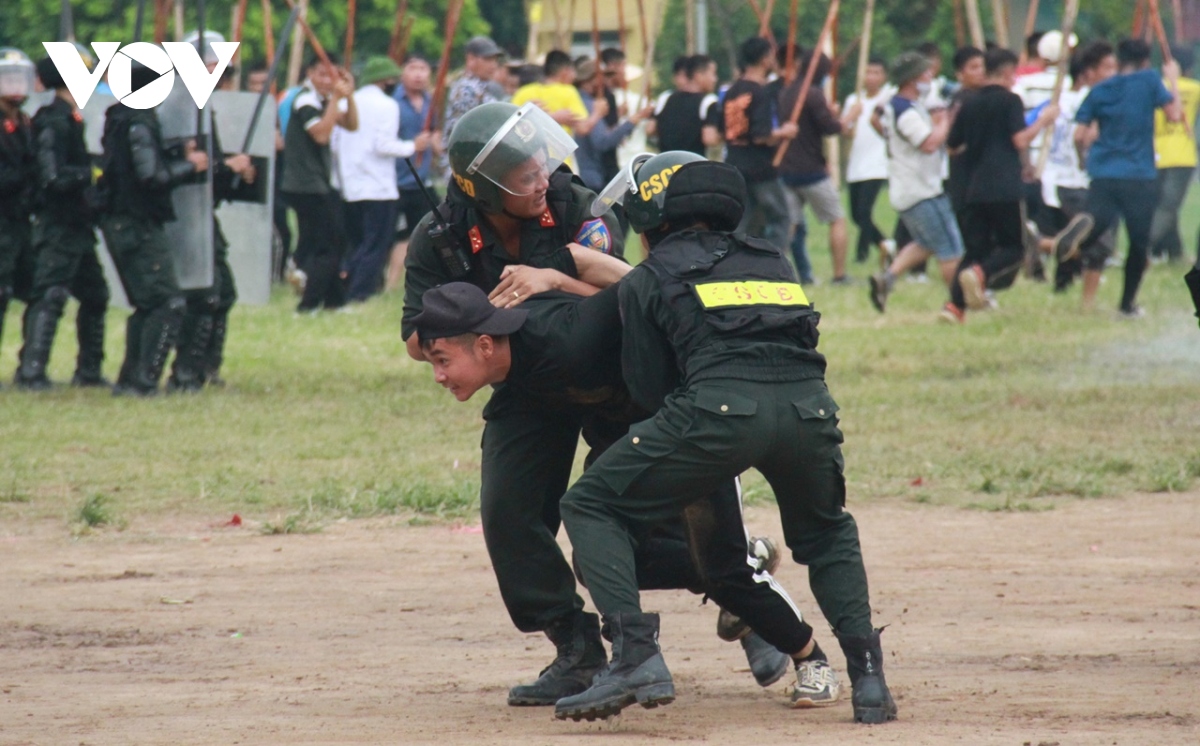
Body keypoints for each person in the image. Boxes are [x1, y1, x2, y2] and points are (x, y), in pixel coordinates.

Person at [554, 151, 894, 725]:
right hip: (812, 410)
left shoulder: (650, 276)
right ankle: (869, 681)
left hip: (720, 414)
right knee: (828, 533)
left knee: (589, 503)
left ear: (650, 219)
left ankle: (634, 655)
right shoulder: (773, 259)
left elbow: (649, 386)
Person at [412, 275, 836, 699]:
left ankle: (811, 658)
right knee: (604, 558)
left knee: (724, 569)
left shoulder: (568, 337)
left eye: (443, 360)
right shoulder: (516, 371)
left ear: (485, 345)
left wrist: (561, 274)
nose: (437, 375)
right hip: (635, 438)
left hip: (696, 425)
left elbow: (651, 283)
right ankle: (650, 642)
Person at [401, 101, 625, 707]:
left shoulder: (577, 205)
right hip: (524, 386)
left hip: (608, 372)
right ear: (486, 189)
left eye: (540, 165)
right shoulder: (440, 236)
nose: (541, 180)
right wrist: (460, 323)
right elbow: (416, 341)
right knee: (508, 513)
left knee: (637, 511)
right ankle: (575, 647)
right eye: (524, 176)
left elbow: (628, 294)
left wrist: (553, 279)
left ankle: (741, 589)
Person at [98, 61, 210, 396]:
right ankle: (144, 381)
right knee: (166, 303)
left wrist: (174, 152)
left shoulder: (120, 118)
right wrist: (189, 165)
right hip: (137, 221)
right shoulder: (139, 123)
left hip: (122, 219)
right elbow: (150, 177)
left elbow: (134, 164)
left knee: (148, 303)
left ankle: (131, 379)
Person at [167, 30, 258, 392]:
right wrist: (226, 167)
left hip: (202, 215)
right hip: (180, 216)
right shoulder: (177, 106)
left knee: (222, 292)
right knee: (204, 293)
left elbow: (211, 167)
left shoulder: (200, 105)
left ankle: (205, 367)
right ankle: (186, 372)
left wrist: (234, 170)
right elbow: (187, 166)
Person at [14, 54, 110, 390]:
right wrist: (91, 174)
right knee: (50, 294)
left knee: (96, 295)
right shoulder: (53, 120)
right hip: (58, 223)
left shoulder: (70, 118)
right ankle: (32, 371)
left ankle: (89, 370)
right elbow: (51, 176)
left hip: (77, 224)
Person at [1070, 39, 1183, 317]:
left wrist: (1083, 160)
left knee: (1097, 227)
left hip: (1103, 172)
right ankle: (1126, 305)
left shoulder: (1100, 90)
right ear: (1146, 60)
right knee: (1138, 243)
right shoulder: (1148, 81)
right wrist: (1173, 81)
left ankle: (1078, 241)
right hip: (1139, 173)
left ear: (1119, 60)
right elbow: (1174, 115)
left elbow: (1079, 136)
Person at [945, 48, 1058, 318]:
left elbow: (952, 145)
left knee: (976, 249)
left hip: (973, 187)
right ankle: (980, 274)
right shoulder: (1010, 100)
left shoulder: (969, 102)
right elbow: (1019, 140)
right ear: (1008, 72)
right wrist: (1044, 120)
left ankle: (954, 307)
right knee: (1013, 247)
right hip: (1004, 186)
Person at [868, 52, 964, 317]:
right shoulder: (905, 111)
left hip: (909, 187)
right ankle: (957, 304)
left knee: (925, 242)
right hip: (920, 190)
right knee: (950, 248)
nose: (930, 77)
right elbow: (929, 143)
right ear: (912, 79)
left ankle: (887, 279)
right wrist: (945, 121)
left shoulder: (899, 105)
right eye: (925, 73)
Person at [335, 56, 431, 303]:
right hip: (378, 186)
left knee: (357, 243)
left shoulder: (349, 101)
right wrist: (413, 145)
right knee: (376, 244)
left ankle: (346, 289)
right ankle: (360, 293)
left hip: (350, 184)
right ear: (386, 80)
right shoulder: (387, 105)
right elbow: (383, 144)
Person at [280, 54, 358, 313]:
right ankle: (308, 304)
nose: (327, 80)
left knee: (332, 240)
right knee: (328, 244)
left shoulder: (325, 100)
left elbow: (352, 125)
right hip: (304, 184)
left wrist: (349, 96)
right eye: (322, 75)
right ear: (310, 74)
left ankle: (335, 301)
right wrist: (337, 98)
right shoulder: (305, 100)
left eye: (332, 75)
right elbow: (322, 135)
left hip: (319, 183)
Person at [1035, 41, 1114, 295]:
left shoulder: (1059, 101)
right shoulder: (1094, 100)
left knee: (1071, 239)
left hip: (1053, 177)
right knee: (1099, 245)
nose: (1113, 74)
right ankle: (1037, 243)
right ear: (1088, 73)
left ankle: (1062, 287)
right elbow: (1085, 137)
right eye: (1108, 68)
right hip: (1079, 179)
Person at [777, 48, 855, 284]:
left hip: (786, 168)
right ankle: (839, 275)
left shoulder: (787, 92)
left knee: (788, 225)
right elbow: (830, 128)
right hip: (810, 170)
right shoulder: (813, 93)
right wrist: (849, 117)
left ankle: (775, 274)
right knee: (837, 218)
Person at [721, 37, 797, 270]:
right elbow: (761, 135)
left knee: (743, 222)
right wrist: (785, 131)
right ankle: (772, 266)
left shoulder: (732, 91)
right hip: (760, 166)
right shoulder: (760, 92)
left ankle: (731, 265)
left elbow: (721, 130)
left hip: (734, 162)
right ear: (765, 59)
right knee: (781, 217)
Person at [0, 48, 38, 375]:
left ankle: (30, 366)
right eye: (7, 78)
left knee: (36, 289)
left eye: (19, 77)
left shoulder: (26, 122)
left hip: (21, 221)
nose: (15, 85)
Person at [388, 56, 438, 291]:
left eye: (423, 68)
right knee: (393, 236)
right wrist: (412, 144)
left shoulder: (431, 101)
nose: (418, 74)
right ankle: (388, 284)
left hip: (421, 181)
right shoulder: (391, 102)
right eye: (412, 68)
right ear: (402, 72)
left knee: (430, 232)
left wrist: (437, 145)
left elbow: (435, 134)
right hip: (394, 181)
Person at [1149, 45, 1199, 264]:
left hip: (1156, 153)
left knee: (1166, 204)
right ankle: (1144, 247)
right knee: (1168, 206)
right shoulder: (1195, 88)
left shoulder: (1155, 87)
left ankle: (1174, 252)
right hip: (1182, 155)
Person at [844, 56, 895, 266]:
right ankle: (886, 245)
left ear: (884, 76)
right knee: (856, 215)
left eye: (876, 72)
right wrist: (851, 117)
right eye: (867, 72)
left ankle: (861, 254)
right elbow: (846, 131)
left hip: (877, 165)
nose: (871, 77)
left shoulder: (887, 98)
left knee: (865, 212)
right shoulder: (853, 100)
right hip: (856, 164)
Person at [573, 59, 651, 192]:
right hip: (592, 178)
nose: (604, 81)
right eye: (600, 77)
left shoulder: (580, 101)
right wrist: (632, 121)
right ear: (588, 80)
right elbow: (603, 142)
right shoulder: (589, 105)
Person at [512, 50, 602, 140]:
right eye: (572, 71)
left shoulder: (523, 92)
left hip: (529, 153)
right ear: (565, 71)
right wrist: (597, 113)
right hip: (560, 153)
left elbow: (510, 125)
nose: (574, 77)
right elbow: (582, 128)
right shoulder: (568, 92)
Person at [648, 54, 722, 156]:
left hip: (665, 164)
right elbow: (709, 138)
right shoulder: (708, 101)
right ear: (698, 75)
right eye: (713, 74)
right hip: (692, 165)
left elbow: (650, 129)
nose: (715, 79)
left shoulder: (665, 97)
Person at [443, 36, 505, 141]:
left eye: (495, 60)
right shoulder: (466, 88)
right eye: (487, 59)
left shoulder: (484, 86)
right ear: (470, 59)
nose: (493, 65)